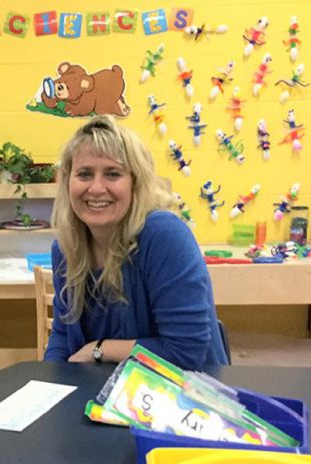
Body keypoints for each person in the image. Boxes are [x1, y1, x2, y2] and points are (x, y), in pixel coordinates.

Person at [44, 115, 227, 369]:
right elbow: (63, 335)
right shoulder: (66, 247)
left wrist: (99, 349)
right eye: (84, 174)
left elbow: (185, 352)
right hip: (101, 394)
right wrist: (48, 381)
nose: (96, 188)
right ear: (66, 182)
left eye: (112, 174)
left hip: (180, 395)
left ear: (135, 182)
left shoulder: (164, 236)